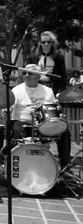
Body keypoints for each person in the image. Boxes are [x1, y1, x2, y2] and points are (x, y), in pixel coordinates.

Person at [10, 64, 70, 169]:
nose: (26, 75)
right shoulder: (16, 90)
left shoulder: (47, 91)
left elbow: (53, 110)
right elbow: (9, 108)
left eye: (30, 73)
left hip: (42, 125)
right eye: (25, 73)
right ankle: (16, 166)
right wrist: (6, 111)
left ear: (38, 76)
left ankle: (65, 167)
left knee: (64, 131)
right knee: (14, 128)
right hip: (22, 124)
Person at [29, 31, 70, 169]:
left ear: (53, 44)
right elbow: (27, 75)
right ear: (40, 43)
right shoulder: (33, 57)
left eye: (49, 42)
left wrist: (59, 94)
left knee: (63, 128)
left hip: (51, 93)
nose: (46, 44)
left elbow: (63, 78)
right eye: (43, 42)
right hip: (35, 91)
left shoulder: (58, 57)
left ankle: (64, 164)